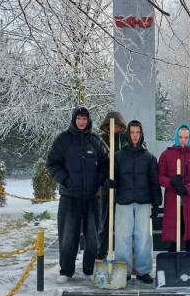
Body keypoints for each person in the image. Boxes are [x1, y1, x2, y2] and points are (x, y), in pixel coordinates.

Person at [46, 106, 108, 283]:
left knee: (93, 237)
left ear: (89, 121)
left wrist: (99, 181)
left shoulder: (95, 140)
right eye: (79, 118)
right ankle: (66, 271)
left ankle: (89, 269)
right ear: (74, 120)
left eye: (84, 119)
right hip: (70, 196)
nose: (81, 122)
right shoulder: (63, 139)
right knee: (68, 235)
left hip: (91, 196)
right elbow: (52, 163)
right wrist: (65, 180)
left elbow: (105, 163)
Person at [109, 120, 162, 284]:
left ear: (141, 134)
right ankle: (123, 270)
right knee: (122, 238)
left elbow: (154, 182)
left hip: (143, 202)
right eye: (132, 132)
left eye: (137, 132)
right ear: (128, 134)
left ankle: (143, 271)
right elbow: (112, 177)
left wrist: (156, 203)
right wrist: (109, 182)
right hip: (123, 201)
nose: (135, 136)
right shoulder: (118, 157)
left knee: (144, 238)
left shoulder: (149, 158)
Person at [158, 124, 190, 252]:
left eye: (186, 137)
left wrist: (187, 188)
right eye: (180, 137)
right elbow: (160, 176)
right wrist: (171, 182)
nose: (183, 140)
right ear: (176, 137)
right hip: (173, 201)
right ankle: (173, 258)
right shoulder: (166, 155)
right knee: (174, 236)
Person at [97, 111, 127, 260]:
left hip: (124, 189)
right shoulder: (100, 140)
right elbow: (97, 165)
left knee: (124, 225)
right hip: (106, 189)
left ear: (121, 126)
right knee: (105, 223)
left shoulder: (126, 140)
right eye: (111, 125)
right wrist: (104, 181)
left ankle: (124, 256)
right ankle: (101, 253)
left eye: (117, 126)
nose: (114, 128)